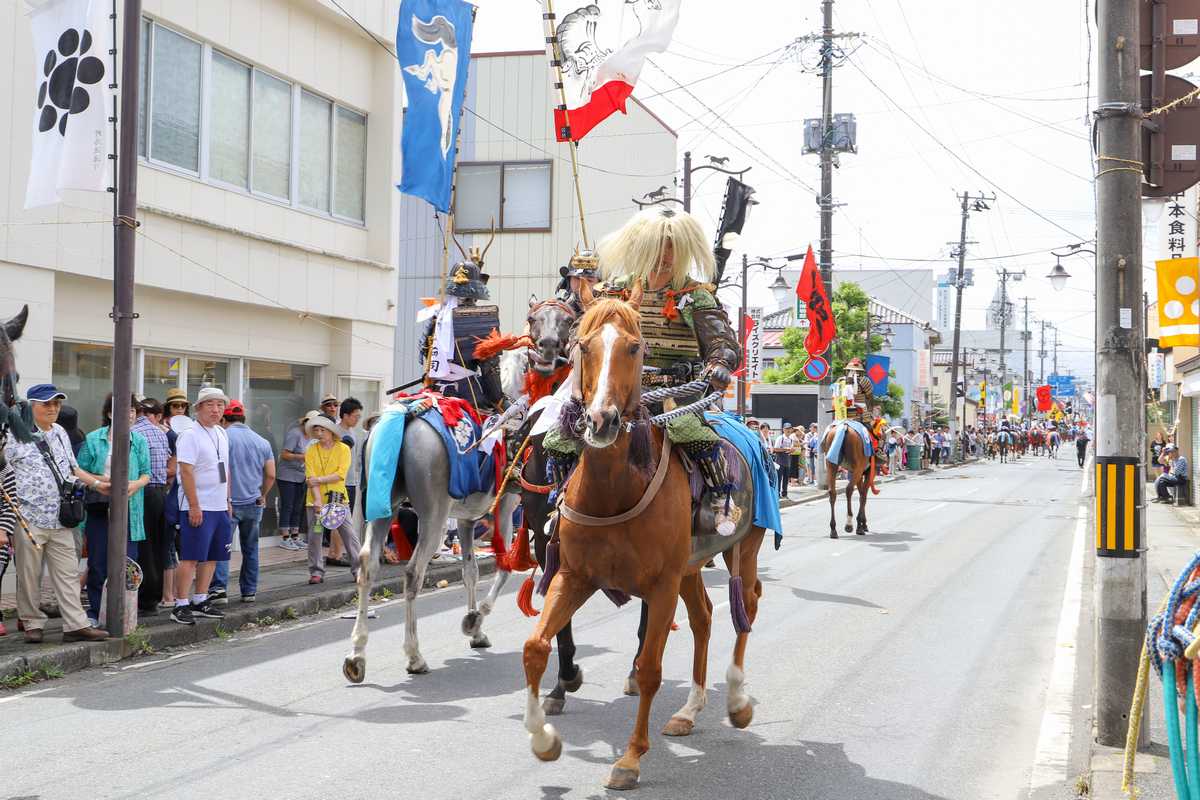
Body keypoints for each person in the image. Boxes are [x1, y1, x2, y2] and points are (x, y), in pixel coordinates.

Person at [543, 206, 741, 532]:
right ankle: (557, 501)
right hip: (613, 389)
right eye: (659, 246)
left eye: (672, 247)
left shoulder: (695, 297)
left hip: (672, 392)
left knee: (691, 433)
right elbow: (582, 334)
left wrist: (719, 364)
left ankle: (719, 499)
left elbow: (722, 342)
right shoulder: (612, 292)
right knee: (558, 438)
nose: (665, 255)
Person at [4, 384, 109, 643]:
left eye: (56, 404)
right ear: (31, 407)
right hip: (28, 517)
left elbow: (72, 469)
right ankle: (31, 622)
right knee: (29, 575)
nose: (53, 408)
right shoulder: (14, 434)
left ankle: (76, 624)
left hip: (62, 517)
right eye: (46, 404)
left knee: (68, 574)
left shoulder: (61, 431)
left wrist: (97, 484)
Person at [77, 393, 151, 625]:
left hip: (131, 507)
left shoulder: (138, 440)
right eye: (123, 410)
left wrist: (134, 484)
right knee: (98, 562)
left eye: (132, 411)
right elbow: (78, 471)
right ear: (110, 414)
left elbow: (147, 474)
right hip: (100, 506)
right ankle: (96, 612)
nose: (129, 414)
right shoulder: (93, 439)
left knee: (129, 563)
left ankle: (124, 613)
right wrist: (105, 480)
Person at [171, 387, 232, 626]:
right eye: (210, 405)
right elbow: (185, 471)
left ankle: (201, 598)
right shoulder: (190, 434)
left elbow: (225, 468)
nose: (216, 410)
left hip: (218, 504)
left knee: (213, 556)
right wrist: (194, 505)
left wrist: (228, 500)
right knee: (191, 556)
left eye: (219, 405)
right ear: (198, 408)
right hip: (197, 504)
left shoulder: (221, 433)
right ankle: (180, 603)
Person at [208, 400, 275, 604]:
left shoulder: (223, 438)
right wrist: (263, 494)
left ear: (224, 419)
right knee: (251, 548)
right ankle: (249, 591)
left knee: (223, 546)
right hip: (254, 502)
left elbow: (220, 470)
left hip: (228, 503)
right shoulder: (262, 441)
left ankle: (219, 590)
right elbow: (271, 474)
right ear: (244, 418)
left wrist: (222, 492)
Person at [304, 415, 360, 584]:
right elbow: (310, 476)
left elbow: (340, 475)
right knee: (316, 535)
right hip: (315, 500)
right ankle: (316, 571)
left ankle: (359, 569)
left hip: (337, 499)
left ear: (331, 432)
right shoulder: (311, 450)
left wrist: (319, 480)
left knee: (348, 534)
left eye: (323, 430)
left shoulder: (343, 449)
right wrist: (318, 500)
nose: (319, 434)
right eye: (316, 430)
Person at [132, 397, 171, 615]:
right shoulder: (159, 431)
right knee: (157, 546)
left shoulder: (133, 433)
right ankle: (153, 598)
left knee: (142, 546)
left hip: (140, 491)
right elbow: (166, 463)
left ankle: (143, 597)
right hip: (159, 492)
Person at [327, 397, 364, 566]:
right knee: (337, 518)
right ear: (346, 415)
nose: (357, 419)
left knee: (342, 518)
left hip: (351, 481)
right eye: (355, 416)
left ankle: (336, 552)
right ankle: (335, 553)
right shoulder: (335, 432)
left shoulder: (354, 433)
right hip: (337, 481)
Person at [276, 411, 314, 551]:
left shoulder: (312, 437)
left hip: (301, 475)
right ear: (305, 422)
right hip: (287, 475)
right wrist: (301, 457)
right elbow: (284, 454)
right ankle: (285, 538)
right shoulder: (295, 433)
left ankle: (295, 536)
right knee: (288, 506)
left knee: (298, 507)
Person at [772, 426, 797, 499]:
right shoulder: (780, 438)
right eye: (787, 429)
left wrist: (792, 450)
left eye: (790, 429)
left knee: (786, 478)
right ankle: (777, 493)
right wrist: (786, 449)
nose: (788, 430)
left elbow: (791, 449)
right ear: (783, 430)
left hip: (787, 460)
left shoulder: (791, 439)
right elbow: (775, 449)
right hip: (780, 460)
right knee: (779, 478)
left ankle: (785, 493)